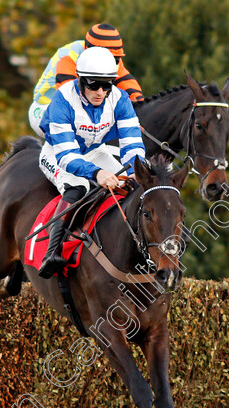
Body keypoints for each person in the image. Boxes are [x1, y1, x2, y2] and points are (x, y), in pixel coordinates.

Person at [36, 46, 146, 278]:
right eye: (93, 84)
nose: (100, 91)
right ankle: (52, 251)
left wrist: (137, 169)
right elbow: (67, 155)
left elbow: (132, 142)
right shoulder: (63, 99)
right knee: (79, 186)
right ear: (80, 79)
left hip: (95, 152)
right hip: (58, 153)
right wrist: (97, 174)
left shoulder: (120, 99)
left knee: (135, 185)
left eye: (106, 85)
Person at [28, 23, 144, 136]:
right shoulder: (68, 57)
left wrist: (141, 109)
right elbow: (72, 98)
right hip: (46, 108)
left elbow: (126, 83)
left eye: (115, 58)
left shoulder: (112, 59)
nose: (111, 62)